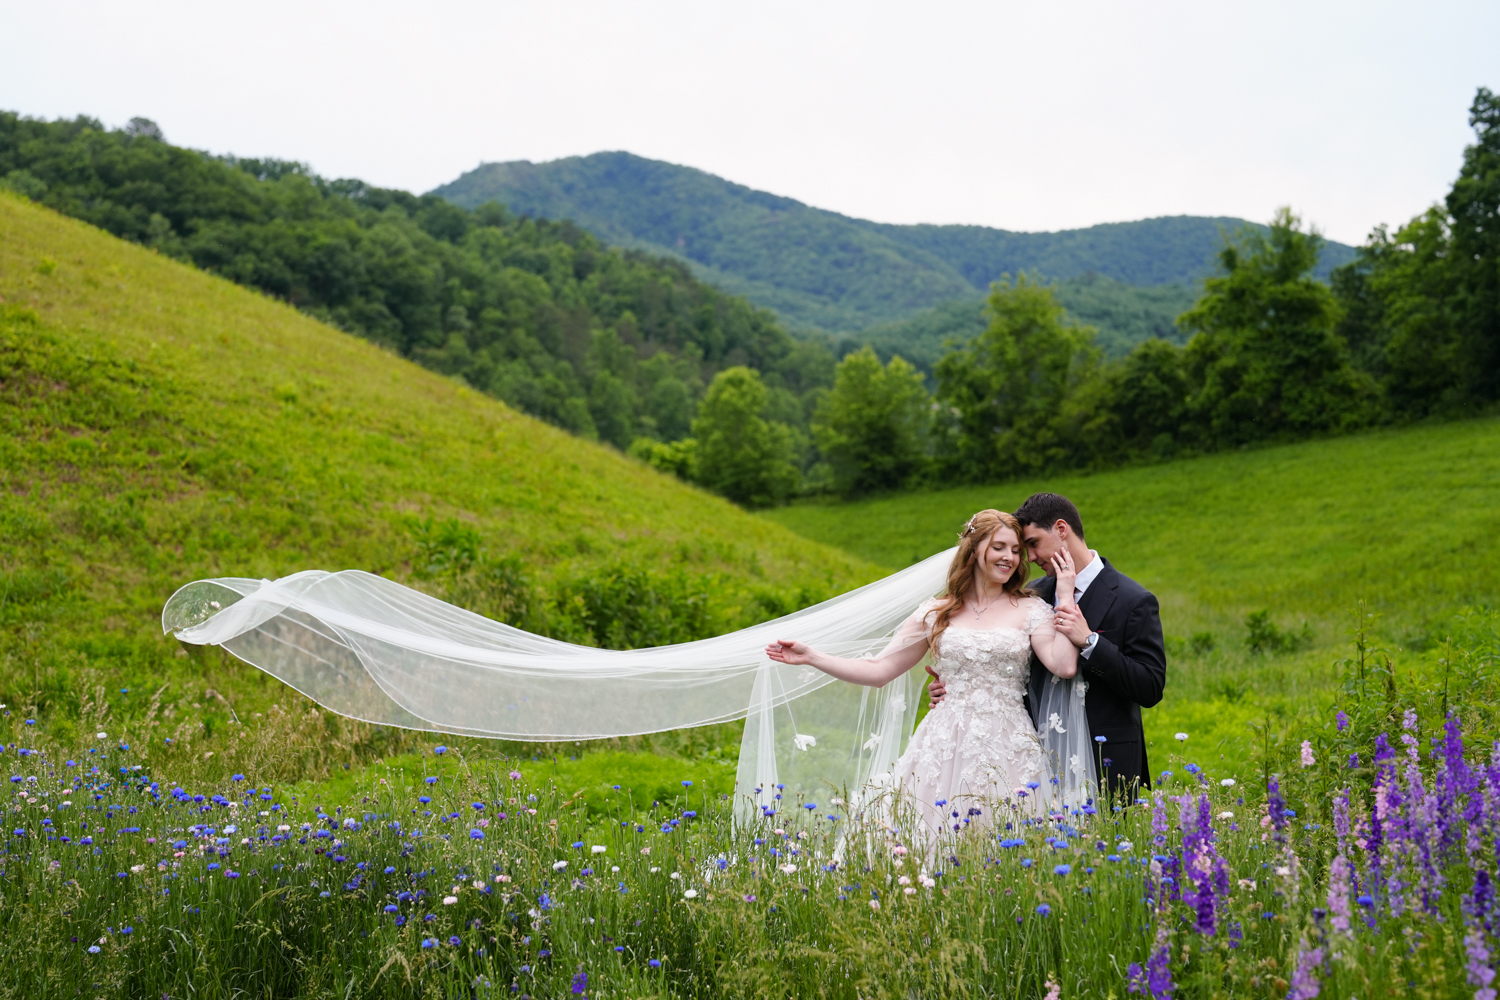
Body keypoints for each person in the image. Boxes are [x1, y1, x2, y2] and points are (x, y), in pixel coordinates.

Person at [765, 509, 1081, 841]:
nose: (1010, 558)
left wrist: (1065, 593)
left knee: (1009, 836)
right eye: (999, 547)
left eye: (1017, 550)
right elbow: (879, 670)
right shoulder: (935, 613)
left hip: (1009, 742)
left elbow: (1064, 665)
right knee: (929, 836)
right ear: (974, 549)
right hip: (943, 742)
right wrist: (813, 657)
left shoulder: (1032, 610)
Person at [928, 493, 1166, 800]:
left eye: (1032, 543)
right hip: (1031, 759)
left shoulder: (1133, 600)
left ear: (1062, 529)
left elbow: (1149, 687)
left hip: (1105, 761)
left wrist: (1091, 642)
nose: (1028, 557)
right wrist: (954, 688)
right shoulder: (1033, 597)